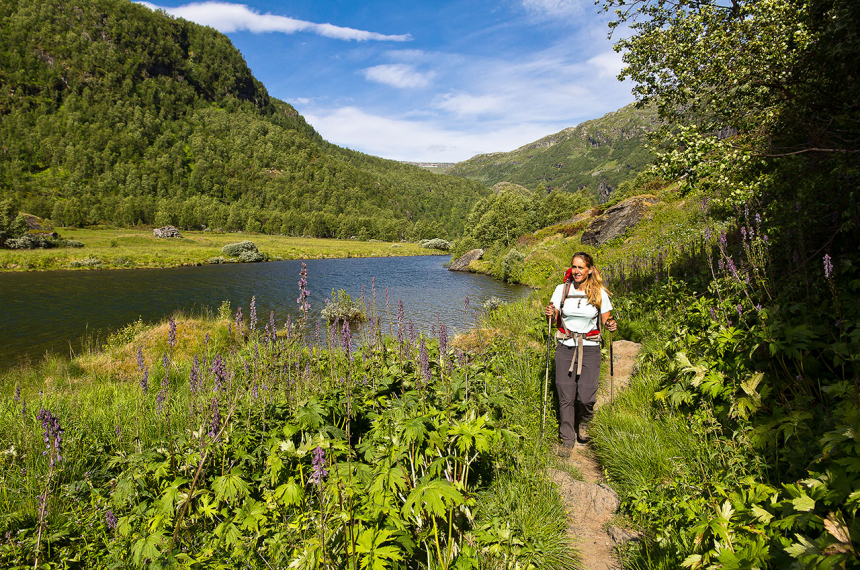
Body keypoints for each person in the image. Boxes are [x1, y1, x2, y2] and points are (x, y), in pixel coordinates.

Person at [543, 252, 617, 452]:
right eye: (574, 267)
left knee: (586, 396)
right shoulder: (562, 289)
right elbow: (555, 312)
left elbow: (606, 318)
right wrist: (551, 313)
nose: (576, 271)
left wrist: (610, 324)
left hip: (590, 347)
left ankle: (584, 421)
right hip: (565, 345)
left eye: (581, 267)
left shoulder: (599, 292)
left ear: (590, 270)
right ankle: (567, 438)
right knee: (565, 394)